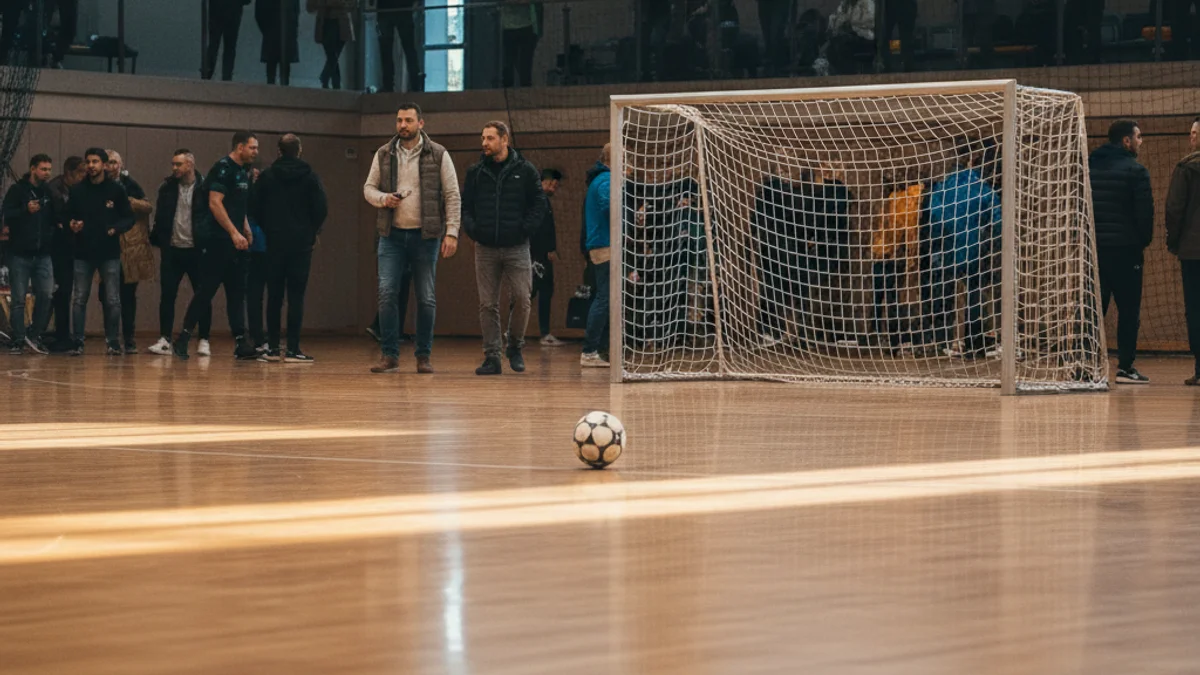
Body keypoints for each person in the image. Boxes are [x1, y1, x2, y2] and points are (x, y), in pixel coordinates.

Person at [364, 103, 461, 374]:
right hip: (391, 236)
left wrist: (451, 232)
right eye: (399, 120)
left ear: (421, 123)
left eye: (408, 120)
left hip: (426, 236)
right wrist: (384, 199)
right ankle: (390, 355)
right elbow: (368, 188)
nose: (402, 125)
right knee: (386, 294)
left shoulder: (439, 154)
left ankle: (423, 355)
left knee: (426, 297)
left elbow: (452, 195)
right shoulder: (384, 153)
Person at [461, 121, 546, 375]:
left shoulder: (526, 170)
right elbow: (467, 206)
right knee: (488, 304)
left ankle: (515, 346)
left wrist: (524, 229)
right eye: (483, 138)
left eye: (490, 138)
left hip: (517, 246)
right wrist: (473, 229)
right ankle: (492, 357)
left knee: (522, 298)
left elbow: (539, 203)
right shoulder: (475, 172)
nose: (484, 143)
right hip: (485, 247)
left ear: (504, 140)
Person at [173, 131, 260, 361]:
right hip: (217, 242)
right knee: (206, 291)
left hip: (237, 242)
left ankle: (241, 341)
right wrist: (232, 232)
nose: (256, 152)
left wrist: (245, 228)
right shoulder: (223, 168)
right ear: (240, 147)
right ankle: (183, 337)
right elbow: (215, 203)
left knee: (236, 292)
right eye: (252, 148)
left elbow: (237, 205)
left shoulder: (244, 171)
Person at [250, 134, 328, 363]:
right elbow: (321, 208)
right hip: (301, 244)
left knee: (274, 295)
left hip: (273, 243)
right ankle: (293, 349)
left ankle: (273, 348)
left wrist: (269, 228)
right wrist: (311, 230)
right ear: (299, 151)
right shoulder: (310, 176)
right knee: (296, 296)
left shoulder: (268, 176)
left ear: (279, 151)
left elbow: (254, 206)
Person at [1089, 119, 1153, 384]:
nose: (1140, 141)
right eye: (1137, 137)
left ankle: (1086, 366)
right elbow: (1145, 216)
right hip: (1126, 252)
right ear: (1126, 141)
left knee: (1094, 309)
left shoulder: (1088, 168)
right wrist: (1140, 243)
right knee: (1128, 311)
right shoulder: (1137, 171)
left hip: (1095, 251)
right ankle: (1125, 368)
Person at [927, 140, 1001, 360]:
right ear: (973, 159)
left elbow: (934, 218)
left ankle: (941, 342)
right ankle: (975, 343)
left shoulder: (942, 188)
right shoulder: (981, 188)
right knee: (974, 296)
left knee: (944, 296)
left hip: (947, 250)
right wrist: (993, 243)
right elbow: (996, 221)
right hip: (975, 249)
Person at [66, 148, 134, 356]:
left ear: (104, 165)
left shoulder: (116, 190)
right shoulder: (77, 190)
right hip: (83, 252)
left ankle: (112, 341)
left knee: (113, 299)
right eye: (88, 162)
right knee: (79, 298)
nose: (91, 166)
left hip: (109, 252)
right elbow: (66, 215)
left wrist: (116, 228)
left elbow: (129, 217)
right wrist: (72, 224)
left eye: (95, 161)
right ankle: (78, 341)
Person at [148, 150, 212, 357]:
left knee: (202, 295)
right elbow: (160, 216)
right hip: (173, 249)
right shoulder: (167, 188)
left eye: (178, 164)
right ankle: (165, 338)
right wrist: (159, 238)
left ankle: (204, 339)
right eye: (173, 164)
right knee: (167, 295)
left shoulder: (205, 187)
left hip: (197, 250)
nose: (174, 168)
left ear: (190, 164)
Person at [2, 154, 55, 355]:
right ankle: (17, 338)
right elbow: (7, 213)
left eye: (49, 169)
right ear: (33, 169)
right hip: (20, 254)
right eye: (43, 169)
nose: (47, 173)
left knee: (46, 293)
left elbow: (54, 216)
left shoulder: (48, 192)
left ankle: (34, 334)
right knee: (18, 299)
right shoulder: (18, 190)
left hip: (43, 253)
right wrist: (25, 209)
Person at [101, 150, 154, 354]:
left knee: (128, 297)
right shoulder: (98, 185)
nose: (111, 166)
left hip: (129, 249)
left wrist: (128, 201)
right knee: (105, 296)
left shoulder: (130, 184)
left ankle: (129, 338)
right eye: (107, 163)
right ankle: (111, 338)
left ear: (120, 164)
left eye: (114, 162)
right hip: (105, 247)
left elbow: (148, 206)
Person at [1166, 117, 1200, 386]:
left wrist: (1174, 242)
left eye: (1194, 133)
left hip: (1193, 251)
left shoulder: (1186, 167)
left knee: (1196, 308)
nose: (1191, 138)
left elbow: (1174, 210)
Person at [871, 173, 923, 351]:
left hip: (885, 255)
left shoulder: (899, 201)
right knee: (889, 298)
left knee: (883, 297)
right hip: (888, 255)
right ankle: (890, 338)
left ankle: (884, 336)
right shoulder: (900, 202)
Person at [44, 155, 84, 347]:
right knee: (60, 291)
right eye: (81, 172)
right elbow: (57, 217)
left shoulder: (73, 189)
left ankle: (61, 333)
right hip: (57, 247)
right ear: (70, 172)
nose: (84, 176)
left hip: (70, 245)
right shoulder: (55, 189)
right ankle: (58, 334)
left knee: (65, 291)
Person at [580, 144, 611, 368]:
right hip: (605, 245)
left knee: (605, 298)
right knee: (604, 298)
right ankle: (590, 350)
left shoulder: (599, 179)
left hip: (602, 244)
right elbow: (610, 207)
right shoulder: (606, 180)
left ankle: (599, 348)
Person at [531, 168, 562, 345]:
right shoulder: (539, 201)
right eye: (554, 185)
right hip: (539, 256)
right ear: (548, 182)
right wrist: (547, 250)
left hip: (539, 255)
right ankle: (544, 333)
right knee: (536, 291)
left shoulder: (540, 201)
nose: (554, 189)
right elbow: (541, 229)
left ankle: (513, 332)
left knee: (537, 291)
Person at [307, 0, 355, 89]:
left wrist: (330, 3)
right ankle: (332, 82)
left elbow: (352, 4)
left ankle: (327, 78)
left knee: (333, 56)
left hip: (341, 22)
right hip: (325, 22)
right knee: (332, 56)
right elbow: (310, 6)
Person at [377, 0, 423, 92]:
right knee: (409, 48)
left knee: (386, 49)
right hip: (403, 8)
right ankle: (415, 85)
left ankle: (388, 85)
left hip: (385, 8)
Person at [204, 0, 250, 80]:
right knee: (230, 47)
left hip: (216, 9)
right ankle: (227, 76)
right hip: (234, 11)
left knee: (214, 44)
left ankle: (207, 73)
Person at [256, 0, 300, 85]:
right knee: (284, 63)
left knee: (271, 65)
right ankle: (283, 87)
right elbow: (295, 11)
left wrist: (265, 30)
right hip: (286, 30)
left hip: (271, 30)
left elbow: (259, 13)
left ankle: (271, 87)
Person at [501, 0, 542, 87]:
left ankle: (525, 92)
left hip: (527, 26)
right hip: (509, 27)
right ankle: (507, 93)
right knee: (508, 64)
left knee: (525, 65)